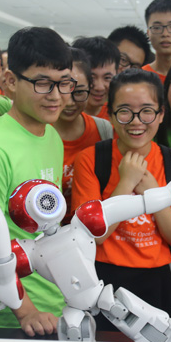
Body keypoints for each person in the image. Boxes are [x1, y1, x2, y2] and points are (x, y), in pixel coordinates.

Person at [0, 27, 73, 335]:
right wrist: (25, 311)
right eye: (42, 83)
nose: (56, 95)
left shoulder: (51, 135)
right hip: (15, 315)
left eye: (64, 83)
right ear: (11, 81)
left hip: (56, 300)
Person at [71, 69, 171, 333]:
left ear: (161, 114)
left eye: (147, 111)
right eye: (124, 111)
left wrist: (154, 195)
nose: (136, 122)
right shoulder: (91, 160)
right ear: (110, 114)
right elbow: (94, 236)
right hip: (103, 280)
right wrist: (126, 184)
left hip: (157, 279)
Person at [53, 48, 113, 224]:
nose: (70, 102)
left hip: (91, 228)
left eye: (79, 92)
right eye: (63, 91)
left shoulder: (103, 130)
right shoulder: (38, 132)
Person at [72, 36, 120, 120]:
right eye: (92, 78)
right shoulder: (54, 116)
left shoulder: (119, 117)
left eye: (107, 78)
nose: (99, 87)